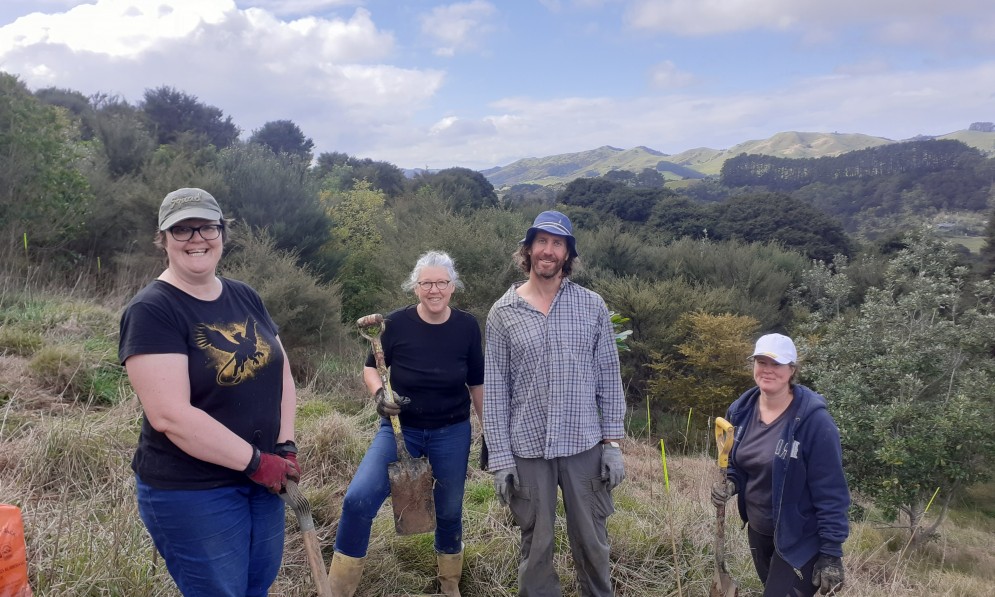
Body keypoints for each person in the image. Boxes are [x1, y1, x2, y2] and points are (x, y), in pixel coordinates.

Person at [118, 188, 301, 597]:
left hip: (263, 479)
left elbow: (282, 371)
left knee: (257, 587)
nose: (196, 238)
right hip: (194, 491)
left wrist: (285, 444)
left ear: (222, 233)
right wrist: (255, 462)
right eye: (181, 230)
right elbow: (171, 416)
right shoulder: (153, 310)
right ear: (163, 239)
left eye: (207, 227)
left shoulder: (244, 295)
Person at [484, 210, 626, 597]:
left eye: (557, 243)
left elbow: (609, 378)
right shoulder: (503, 313)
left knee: (593, 542)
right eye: (541, 242)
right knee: (537, 544)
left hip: (583, 444)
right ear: (527, 250)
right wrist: (500, 460)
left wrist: (612, 445)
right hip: (528, 449)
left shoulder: (591, 306)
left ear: (567, 253)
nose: (548, 251)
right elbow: (496, 392)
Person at [328, 250, 484, 597]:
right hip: (401, 429)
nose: (434, 290)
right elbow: (371, 367)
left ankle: (449, 585)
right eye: (426, 283)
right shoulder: (393, 325)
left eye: (441, 283)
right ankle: (337, 590)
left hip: (452, 431)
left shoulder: (467, 327)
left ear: (452, 287)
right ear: (415, 288)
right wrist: (380, 393)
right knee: (357, 500)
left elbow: (476, 382)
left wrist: (490, 432)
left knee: (448, 510)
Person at [711, 333, 849, 596]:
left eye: (777, 364)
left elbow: (831, 490)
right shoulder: (740, 411)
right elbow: (738, 465)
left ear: (792, 370)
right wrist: (730, 483)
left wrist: (831, 553)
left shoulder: (815, 422)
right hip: (759, 531)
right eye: (762, 361)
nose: (768, 370)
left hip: (800, 538)